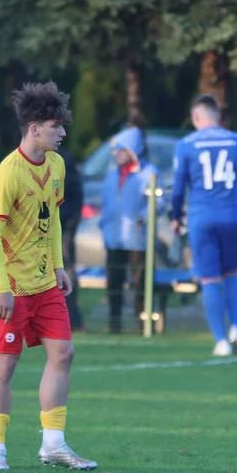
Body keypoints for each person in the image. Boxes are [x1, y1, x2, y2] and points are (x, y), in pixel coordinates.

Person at [0, 81, 95, 472]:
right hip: (9, 289)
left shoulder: (57, 165)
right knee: (5, 368)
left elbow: (54, 218)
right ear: (34, 129)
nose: (62, 133)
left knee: (63, 353)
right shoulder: (7, 173)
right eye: (56, 126)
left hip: (46, 284)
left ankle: (54, 445)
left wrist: (59, 264)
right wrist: (2, 288)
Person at [171, 95, 237, 356]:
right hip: (230, 216)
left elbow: (179, 188)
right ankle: (236, 328)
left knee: (210, 278)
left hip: (201, 218)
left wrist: (175, 216)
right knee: (231, 274)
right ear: (218, 116)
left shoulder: (187, 144)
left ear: (196, 117)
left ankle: (221, 340)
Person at [101, 126, 157, 334]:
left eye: (121, 150)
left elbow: (157, 203)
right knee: (113, 283)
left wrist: (143, 217)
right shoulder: (111, 176)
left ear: (132, 150)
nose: (116, 154)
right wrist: (104, 226)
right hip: (114, 240)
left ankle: (143, 325)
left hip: (138, 241)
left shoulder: (149, 174)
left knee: (140, 285)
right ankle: (114, 324)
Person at [57, 145, 85, 331]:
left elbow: (73, 196)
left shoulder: (62, 161)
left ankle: (71, 320)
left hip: (60, 226)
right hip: (57, 224)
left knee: (65, 271)